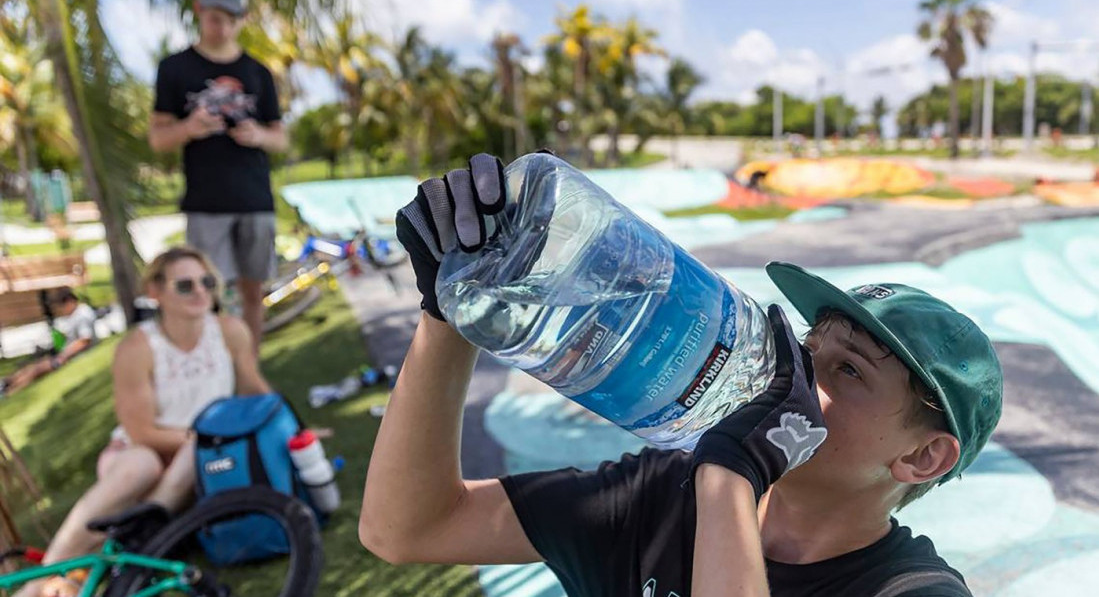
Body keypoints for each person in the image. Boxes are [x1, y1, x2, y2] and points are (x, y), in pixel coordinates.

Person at [359, 155, 1003, 596]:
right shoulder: (660, 499)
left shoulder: (916, 590)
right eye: (809, 346)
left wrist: (730, 476)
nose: (800, 371)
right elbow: (405, 528)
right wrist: (446, 316)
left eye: (848, 370)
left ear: (923, 457)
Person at [16, 247, 271, 597]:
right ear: (155, 292)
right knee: (142, 464)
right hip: (139, 453)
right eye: (184, 285)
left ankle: (118, 556)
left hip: (199, 458)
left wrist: (290, 427)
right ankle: (40, 581)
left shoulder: (230, 331)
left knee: (192, 454)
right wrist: (203, 440)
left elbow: (253, 391)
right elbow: (141, 432)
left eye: (206, 282)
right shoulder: (138, 348)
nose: (199, 291)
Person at [148, 0, 288, 353]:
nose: (221, 26)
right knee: (207, 294)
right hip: (205, 203)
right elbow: (158, 137)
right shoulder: (174, 68)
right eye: (214, 17)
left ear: (242, 18)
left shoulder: (259, 72)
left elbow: (281, 136)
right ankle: (217, 363)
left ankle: (249, 366)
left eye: (230, 18)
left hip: (255, 199)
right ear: (199, 10)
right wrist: (189, 128)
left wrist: (258, 135)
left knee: (253, 291)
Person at [0, 287, 97, 398]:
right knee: (33, 366)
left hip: (74, 356)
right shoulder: (76, 314)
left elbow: (84, 340)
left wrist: (63, 356)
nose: (62, 310)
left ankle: (8, 392)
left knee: (37, 370)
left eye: (62, 306)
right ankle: (6, 382)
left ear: (70, 301)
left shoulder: (82, 315)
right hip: (66, 354)